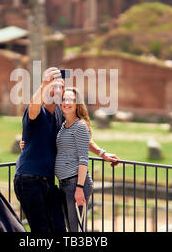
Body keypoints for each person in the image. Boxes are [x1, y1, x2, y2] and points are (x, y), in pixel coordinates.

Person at [14, 67, 118, 232]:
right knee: (41, 229)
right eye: (53, 86)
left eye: (60, 86)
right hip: (28, 180)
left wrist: (101, 153)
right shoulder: (36, 109)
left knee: (60, 227)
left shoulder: (59, 113)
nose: (57, 89)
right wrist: (44, 85)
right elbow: (34, 105)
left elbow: (81, 138)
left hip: (49, 182)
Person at [55, 87, 93, 232]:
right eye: (64, 99)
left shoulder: (80, 127)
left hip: (75, 185)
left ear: (77, 104)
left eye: (70, 100)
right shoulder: (63, 126)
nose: (66, 103)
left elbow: (84, 159)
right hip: (64, 184)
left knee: (77, 229)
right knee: (70, 228)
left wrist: (79, 188)